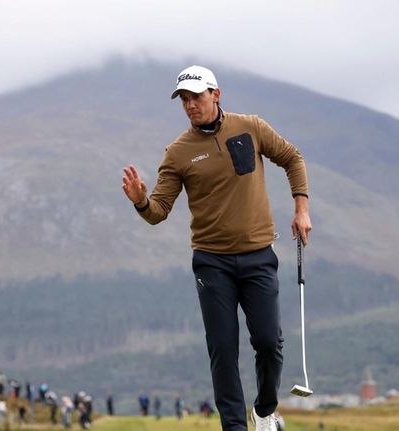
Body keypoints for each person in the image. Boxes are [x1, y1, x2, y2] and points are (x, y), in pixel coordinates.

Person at [122, 65, 311, 431]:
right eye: (184, 100)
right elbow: (158, 212)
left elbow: (292, 158)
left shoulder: (251, 127)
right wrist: (142, 201)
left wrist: (301, 208)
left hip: (258, 256)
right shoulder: (177, 153)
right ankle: (235, 428)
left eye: (197, 97)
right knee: (223, 350)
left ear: (216, 94)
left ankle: (264, 409)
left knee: (269, 342)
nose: (191, 105)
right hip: (212, 264)